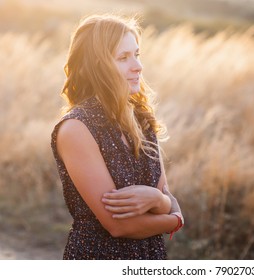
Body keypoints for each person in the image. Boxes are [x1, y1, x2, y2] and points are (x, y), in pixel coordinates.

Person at [51, 14, 183, 260]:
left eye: (137, 54)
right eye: (123, 58)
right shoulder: (76, 128)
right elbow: (120, 225)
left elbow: (165, 196)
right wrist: (175, 219)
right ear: (96, 66)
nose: (138, 66)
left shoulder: (142, 120)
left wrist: (158, 201)